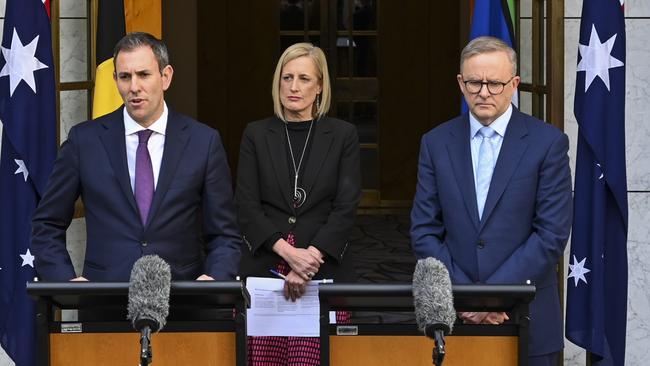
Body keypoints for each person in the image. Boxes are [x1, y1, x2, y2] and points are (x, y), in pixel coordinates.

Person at [410, 36, 572, 366]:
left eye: (494, 83)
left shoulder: (548, 143)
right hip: (456, 317)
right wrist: (467, 299)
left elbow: (551, 234)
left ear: (514, 84)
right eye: (474, 82)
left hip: (528, 318)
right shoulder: (436, 142)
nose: (483, 92)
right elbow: (424, 231)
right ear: (460, 83)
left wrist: (493, 299)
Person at [31, 32, 241, 282]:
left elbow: (225, 235)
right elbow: (46, 225)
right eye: (125, 76)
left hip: (183, 302)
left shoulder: (203, 142)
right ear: (115, 80)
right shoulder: (84, 141)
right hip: (104, 304)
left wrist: (214, 280)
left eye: (143, 74)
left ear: (166, 77)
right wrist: (65, 282)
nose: (134, 87)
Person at [236, 42, 361, 365]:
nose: (294, 87)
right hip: (267, 265)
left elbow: (345, 207)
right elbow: (246, 204)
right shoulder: (256, 134)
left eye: (304, 79)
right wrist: (289, 254)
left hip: (323, 269)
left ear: (320, 86)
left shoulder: (343, 135)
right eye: (286, 77)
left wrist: (310, 260)